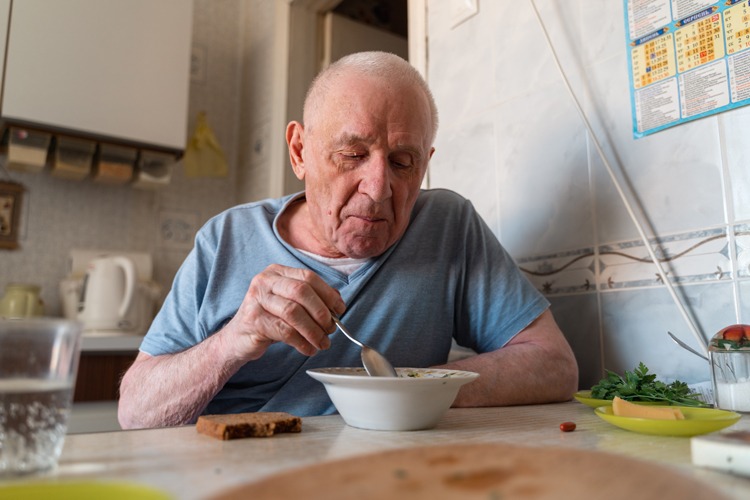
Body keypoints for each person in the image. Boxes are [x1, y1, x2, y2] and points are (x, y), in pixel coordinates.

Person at [118, 51, 578, 429]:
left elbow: (554, 366)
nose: (378, 189)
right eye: (352, 155)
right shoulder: (225, 239)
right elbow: (135, 411)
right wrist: (235, 339)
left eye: (402, 163)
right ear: (300, 152)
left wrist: (407, 387)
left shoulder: (446, 225)